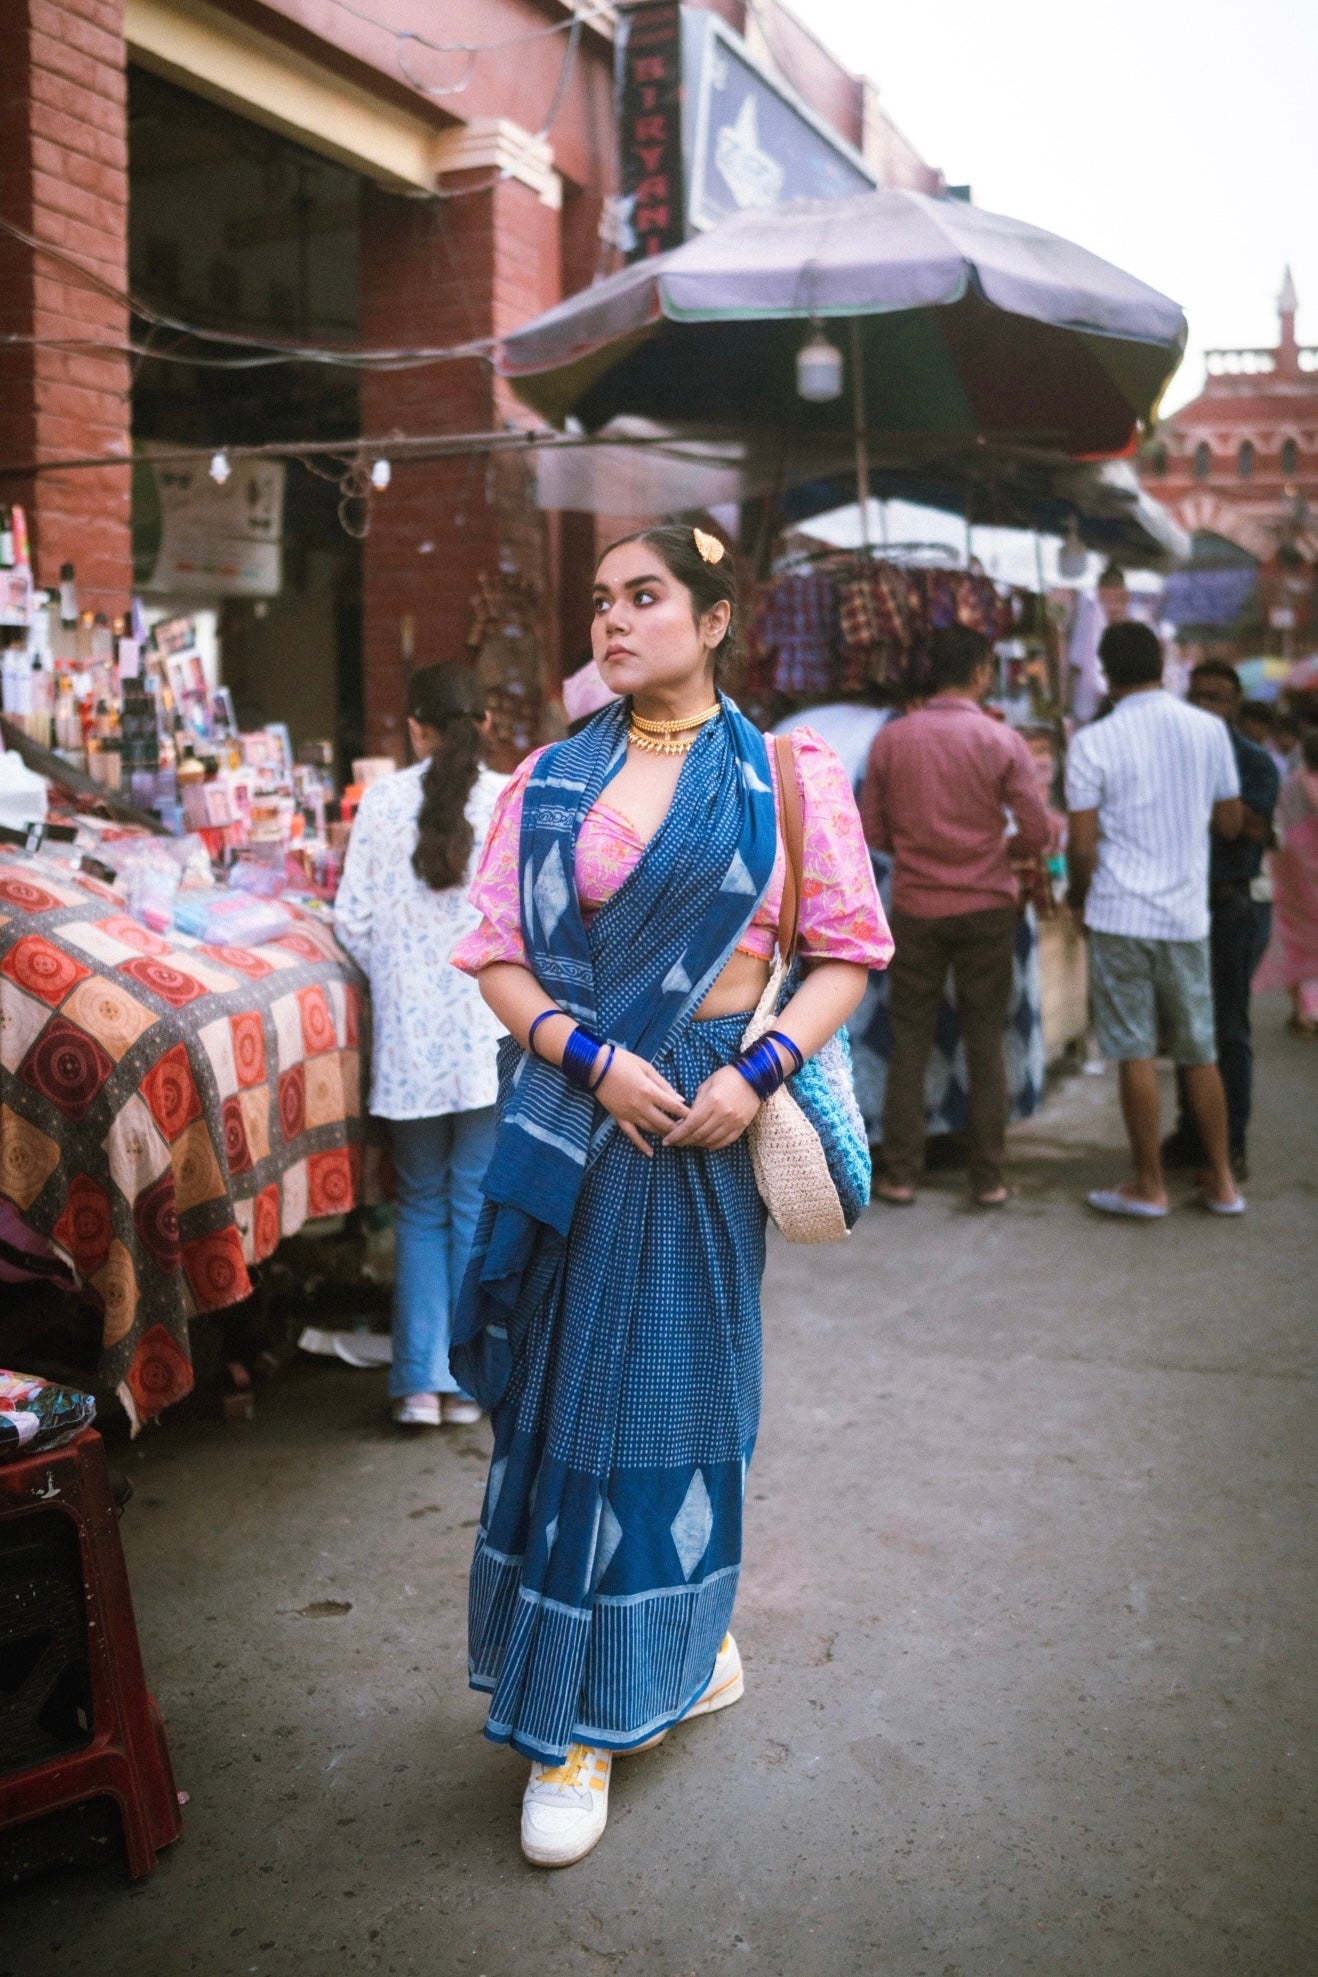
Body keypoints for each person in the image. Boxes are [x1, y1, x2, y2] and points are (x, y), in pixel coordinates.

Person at [448, 524, 891, 1868]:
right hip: (583, 1119)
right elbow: (498, 958)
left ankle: (654, 1665)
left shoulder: (781, 776)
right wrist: (587, 1055)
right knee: (562, 1401)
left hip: (705, 1127)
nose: (614, 622)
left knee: (679, 1403)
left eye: (645, 599)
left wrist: (755, 1073)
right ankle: (576, 1710)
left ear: (714, 621)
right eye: (601, 601)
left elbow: (843, 954)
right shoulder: (551, 776)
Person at [334, 665, 508, 1428]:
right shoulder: (509, 799)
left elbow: (353, 922)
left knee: (420, 1206)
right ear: (486, 722)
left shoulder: (379, 802)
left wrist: (403, 979)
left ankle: (415, 1385)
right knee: (473, 1202)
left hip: (408, 1045)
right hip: (484, 1036)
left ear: (415, 727)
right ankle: (468, 1386)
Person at [859, 623, 1051, 1208]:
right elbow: (1038, 829)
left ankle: (900, 1174)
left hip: (915, 905)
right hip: (988, 906)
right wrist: (1002, 851)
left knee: (909, 1039)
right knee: (984, 1038)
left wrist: (917, 846)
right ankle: (988, 1177)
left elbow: (870, 830)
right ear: (977, 673)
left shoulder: (892, 740)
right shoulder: (1002, 742)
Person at [1064, 622, 1245, 1217]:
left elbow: (1083, 847)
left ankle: (1149, 1183)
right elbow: (1230, 823)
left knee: (1134, 1050)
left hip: (1120, 913)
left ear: (1107, 673)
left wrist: (1083, 900)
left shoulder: (1094, 741)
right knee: (1200, 1052)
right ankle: (1221, 1181)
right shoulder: (1210, 729)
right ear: (1163, 663)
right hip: (1187, 916)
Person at [1160, 661, 1279, 1178]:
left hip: (1230, 903)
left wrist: (1193, 804)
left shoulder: (1254, 761)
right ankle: (1194, 1133)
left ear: (1235, 703)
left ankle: (1230, 1144)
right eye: (1201, 695)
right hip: (1181, 900)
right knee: (1187, 1025)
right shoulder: (1174, 751)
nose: (1209, 705)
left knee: (1228, 1028)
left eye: (1220, 697)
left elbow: (1247, 827)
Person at [1255, 727, 1318, 1036]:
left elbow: (1276, 829)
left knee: (1295, 945)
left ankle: (1302, 1012)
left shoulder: (1291, 786)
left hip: (1293, 878)